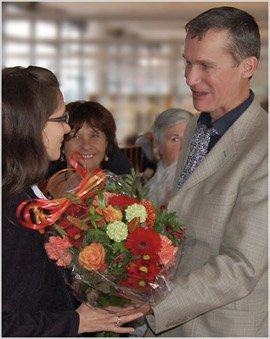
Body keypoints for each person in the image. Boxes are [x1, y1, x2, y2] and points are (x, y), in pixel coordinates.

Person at [145, 6, 268, 337]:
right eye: (187, 62)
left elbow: (241, 266)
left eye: (205, 66)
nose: (190, 77)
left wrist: (150, 303)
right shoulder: (197, 124)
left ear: (248, 67)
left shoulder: (264, 147)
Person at [2, 65, 144, 337]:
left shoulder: (24, 194)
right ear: (34, 125)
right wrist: (77, 322)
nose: (67, 128)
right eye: (61, 118)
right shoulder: (11, 208)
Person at [46, 100, 132, 197]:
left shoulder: (120, 192)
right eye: (75, 136)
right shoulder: (43, 189)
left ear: (107, 143)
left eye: (94, 136)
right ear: (62, 143)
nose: (86, 146)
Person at [146, 108, 192, 207]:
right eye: (175, 139)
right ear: (159, 147)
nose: (184, 146)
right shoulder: (147, 194)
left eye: (189, 136)